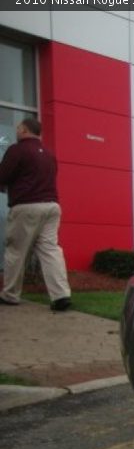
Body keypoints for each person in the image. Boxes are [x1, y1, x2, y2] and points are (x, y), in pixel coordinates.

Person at [0, 117, 71, 311]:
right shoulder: (48, 154)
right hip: (52, 206)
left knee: (16, 250)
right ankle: (61, 295)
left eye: (18, 128)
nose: (16, 131)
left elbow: (3, 175)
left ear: (24, 130)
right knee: (50, 250)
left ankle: (10, 294)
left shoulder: (17, 150)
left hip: (26, 206)